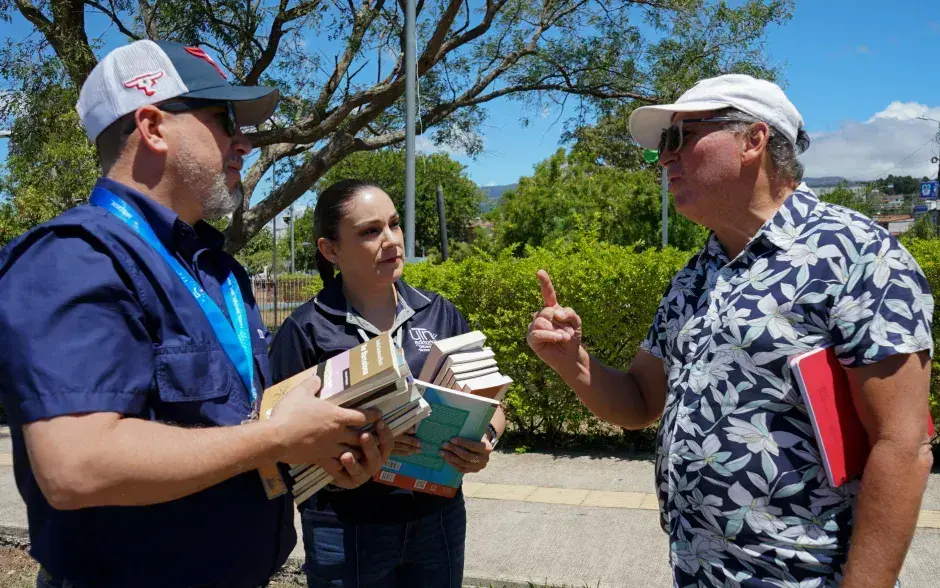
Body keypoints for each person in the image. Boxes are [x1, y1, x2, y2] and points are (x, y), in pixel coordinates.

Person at [0, 40, 392, 588]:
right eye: (222, 119)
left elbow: (232, 431)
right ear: (153, 126)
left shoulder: (220, 272)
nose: (245, 143)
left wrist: (319, 456)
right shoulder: (72, 257)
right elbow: (76, 467)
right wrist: (277, 439)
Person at [527, 74, 934, 587]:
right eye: (661, 146)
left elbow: (902, 445)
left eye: (679, 138)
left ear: (753, 140)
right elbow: (637, 402)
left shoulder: (859, 256)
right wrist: (573, 361)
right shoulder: (696, 274)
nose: (664, 159)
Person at [269, 179, 506, 587]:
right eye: (369, 231)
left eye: (393, 224)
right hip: (346, 526)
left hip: (438, 518)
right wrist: (365, 442)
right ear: (330, 250)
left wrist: (483, 439)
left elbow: (491, 401)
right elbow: (279, 444)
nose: (391, 240)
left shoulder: (439, 312)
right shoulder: (305, 330)